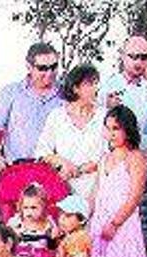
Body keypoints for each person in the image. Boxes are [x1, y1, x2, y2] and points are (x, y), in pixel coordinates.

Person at [89, 105, 147, 257]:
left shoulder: (135, 157)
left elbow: (135, 196)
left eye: (116, 128)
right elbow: (95, 192)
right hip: (100, 220)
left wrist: (115, 223)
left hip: (123, 224)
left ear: (128, 130)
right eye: (108, 128)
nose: (111, 133)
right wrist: (86, 218)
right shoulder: (104, 158)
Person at [0, 42, 62, 169]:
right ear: (29, 66)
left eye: (54, 67)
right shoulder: (10, 93)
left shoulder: (67, 94)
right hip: (18, 170)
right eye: (42, 68)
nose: (49, 73)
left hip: (55, 173)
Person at [35, 63, 105, 199]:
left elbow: (110, 154)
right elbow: (42, 152)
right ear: (75, 88)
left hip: (97, 192)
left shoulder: (104, 116)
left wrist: (79, 170)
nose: (96, 88)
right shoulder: (57, 116)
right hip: (62, 192)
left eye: (96, 83)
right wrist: (62, 162)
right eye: (90, 84)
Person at [99, 36, 147, 152]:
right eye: (133, 56)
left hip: (144, 159)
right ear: (122, 56)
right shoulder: (105, 86)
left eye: (143, 57)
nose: (138, 62)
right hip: (112, 160)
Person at [7, 183, 57, 257]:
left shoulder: (48, 223)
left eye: (34, 208)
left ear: (43, 206)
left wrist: (53, 237)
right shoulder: (17, 221)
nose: (29, 212)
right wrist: (13, 232)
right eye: (25, 208)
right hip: (20, 256)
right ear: (20, 207)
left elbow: (52, 246)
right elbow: (6, 237)